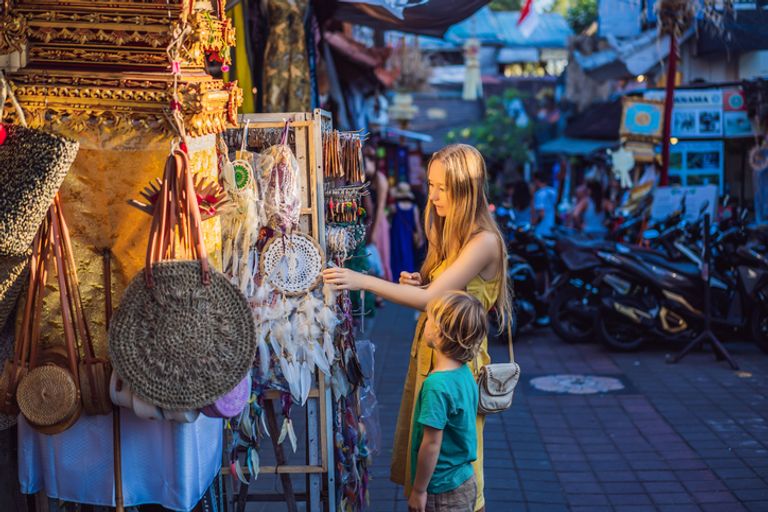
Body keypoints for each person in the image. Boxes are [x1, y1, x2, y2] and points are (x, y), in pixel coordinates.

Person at [323, 143, 512, 512]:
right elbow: (438, 292)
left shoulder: (484, 241)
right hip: (433, 354)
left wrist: (364, 280)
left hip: (457, 365)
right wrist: (417, 284)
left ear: (466, 190)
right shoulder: (449, 233)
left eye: (444, 187)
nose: (434, 195)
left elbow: (435, 301)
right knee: (428, 447)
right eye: (431, 184)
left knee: (453, 462)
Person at [408, 291, 486, 512]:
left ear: (439, 332)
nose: (425, 322)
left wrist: (419, 490)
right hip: (464, 478)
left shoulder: (437, 386)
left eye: (429, 318)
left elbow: (431, 444)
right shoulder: (464, 373)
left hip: (442, 489)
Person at [390, 182, 424, 282]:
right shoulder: (414, 208)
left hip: (396, 235)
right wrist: (420, 236)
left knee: (396, 256)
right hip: (408, 236)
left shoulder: (394, 207)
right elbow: (417, 224)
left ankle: (396, 279)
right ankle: (409, 278)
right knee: (408, 255)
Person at [531, 170, 557, 237]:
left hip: (541, 230)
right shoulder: (553, 191)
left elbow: (541, 214)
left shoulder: (539, 194)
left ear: (537, 180)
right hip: (551, 227)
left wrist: (534, 224)